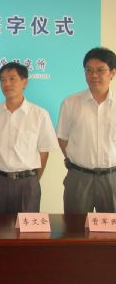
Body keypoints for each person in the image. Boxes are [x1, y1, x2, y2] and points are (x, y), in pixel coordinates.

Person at [0, 62, 58, 213]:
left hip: (27, 182)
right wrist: (2, 171)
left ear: (25, 82)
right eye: (3, 79)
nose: (7, 84)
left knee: (26, 226)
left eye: (12, 78)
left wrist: (32, 178)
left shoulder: (39, 114)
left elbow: (44, 152)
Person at [58, 47, 116, 213]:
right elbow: (62, 138)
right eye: (89, 70)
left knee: (112, 227)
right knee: (75, 226)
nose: (93, 75)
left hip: (112, 177)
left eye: (100, 70)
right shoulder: (71, 103)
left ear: (112, 73)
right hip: (79, 177)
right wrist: (78, 162)